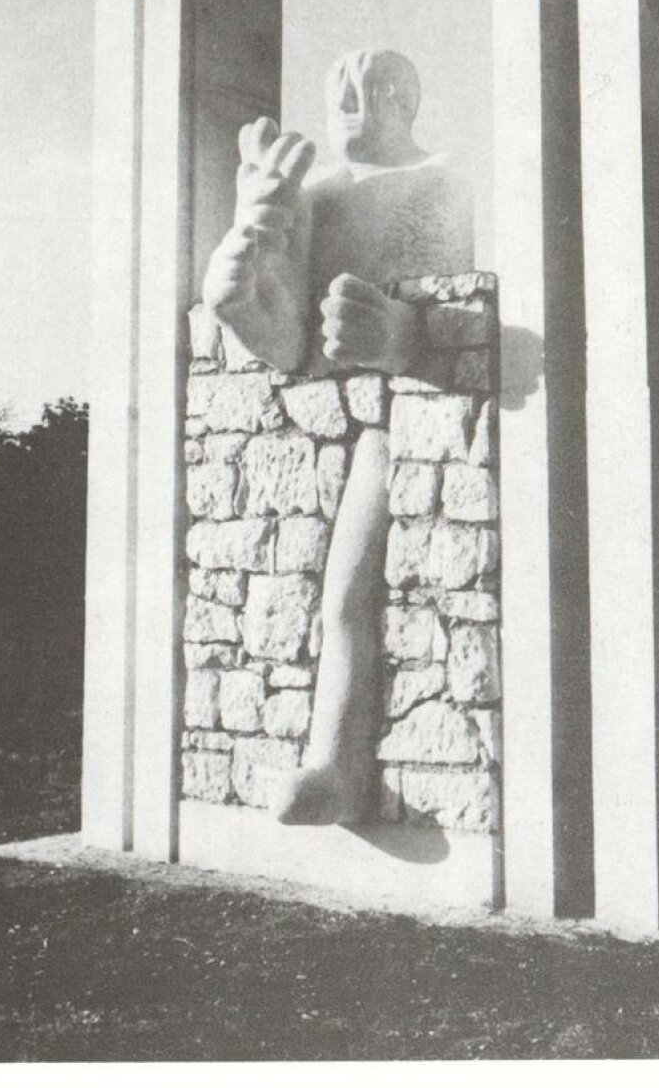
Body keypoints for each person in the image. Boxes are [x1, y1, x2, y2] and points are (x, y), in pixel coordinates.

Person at [201, 49, 474, 824]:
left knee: (346, 595)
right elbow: (290, 340)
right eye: (341, 88)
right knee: (315, 597)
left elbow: (463, 308)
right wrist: (242, 286)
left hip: (397, 412)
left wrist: (405, 338)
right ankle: (330, 765)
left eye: (370, 85)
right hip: (312, 419)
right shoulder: (316, 192)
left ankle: (335, 765)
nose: (351, 99)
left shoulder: (445, 178)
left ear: (404, 99)